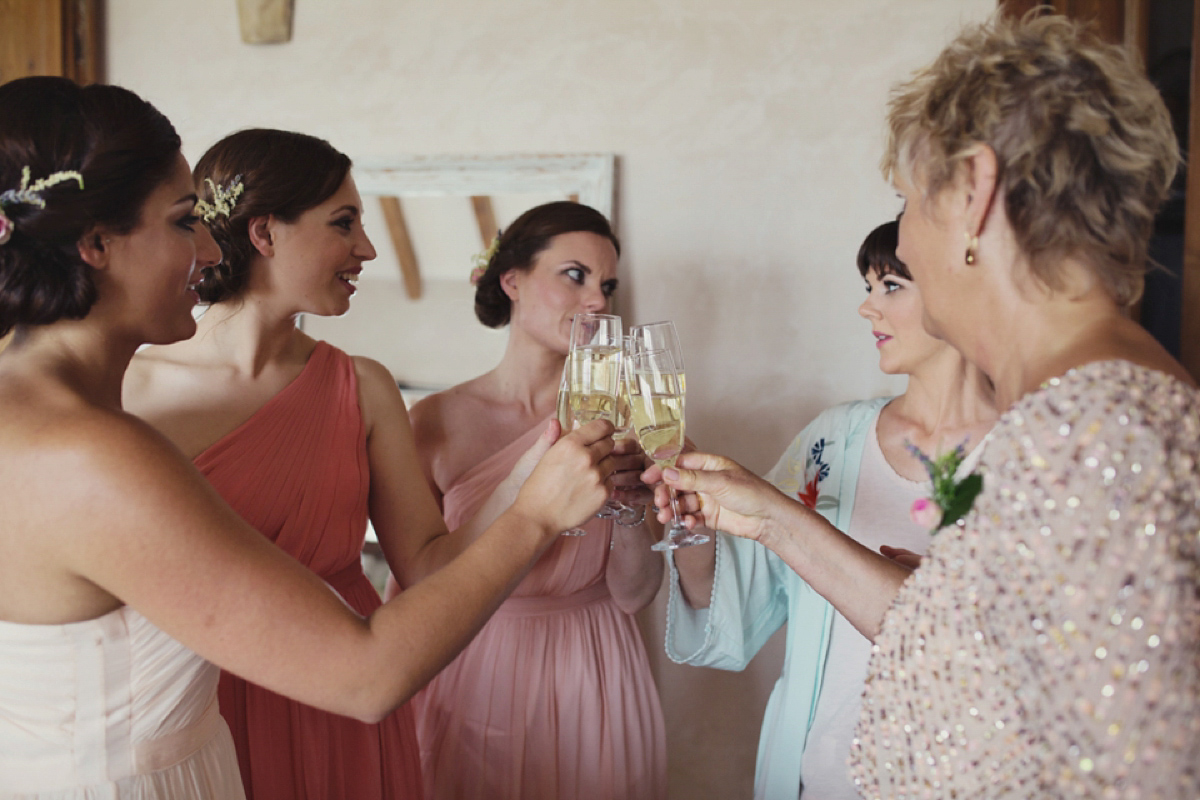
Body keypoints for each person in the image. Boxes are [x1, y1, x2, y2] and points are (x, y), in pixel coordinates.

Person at [0, 77, 615, 800]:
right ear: (97, 243)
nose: (206, 247)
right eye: (180, 221)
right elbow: (366, 675)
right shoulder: (87, 453)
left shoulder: (47, 416)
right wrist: (537, 514)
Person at [656, 13, 1198, 798]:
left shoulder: (1093, 433)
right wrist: (771, 516)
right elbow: (1006, 673)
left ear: (975, 193)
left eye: (906, 199)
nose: (903, 240)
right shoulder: (1089, 411)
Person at [666, 219, 995, 799]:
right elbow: (738, 604)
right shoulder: (832, 441)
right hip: (819, 780)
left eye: (890, 285)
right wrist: (691, 525)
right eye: (868, 287)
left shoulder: (1031, 456)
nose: (868, 309)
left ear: (956, 289)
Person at [390, 200, 668, 799]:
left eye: (607, 284)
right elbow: (414, 584)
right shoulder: (433, 423)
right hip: (474, 667)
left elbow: (635, 593)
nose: (597, 300)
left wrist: (625, 509)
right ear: (512, 281)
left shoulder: (624, 420)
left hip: (597, 670)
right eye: (576, 275)